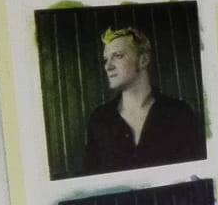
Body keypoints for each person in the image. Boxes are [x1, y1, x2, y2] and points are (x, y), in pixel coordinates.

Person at [83, 26, 205, 175]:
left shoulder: (179, 113)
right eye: (106, 59)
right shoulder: (99, 120)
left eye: (118, 56)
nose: (108, 66)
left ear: (143, 60)